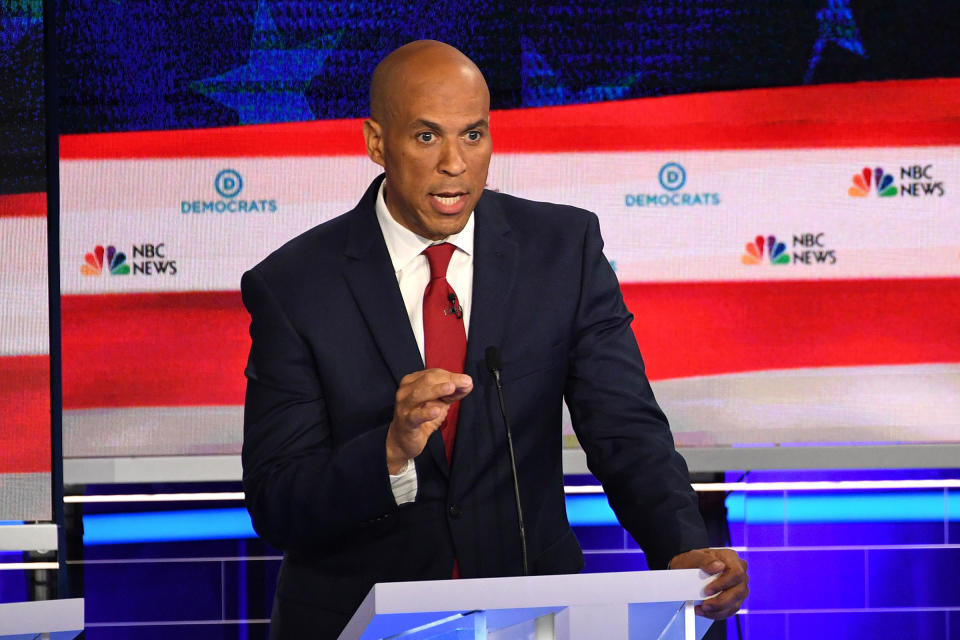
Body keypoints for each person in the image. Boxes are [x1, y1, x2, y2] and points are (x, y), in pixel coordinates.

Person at [241, 39, 748, 639]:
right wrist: (390, 451)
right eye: (426, 137)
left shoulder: (563, 250)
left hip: (530, 615)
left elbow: (625, 427)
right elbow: (277, 501)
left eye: (473, 135)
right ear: (376, 142)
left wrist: (680, 548)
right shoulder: (295, 285)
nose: (455, 163)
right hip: (354, 619)